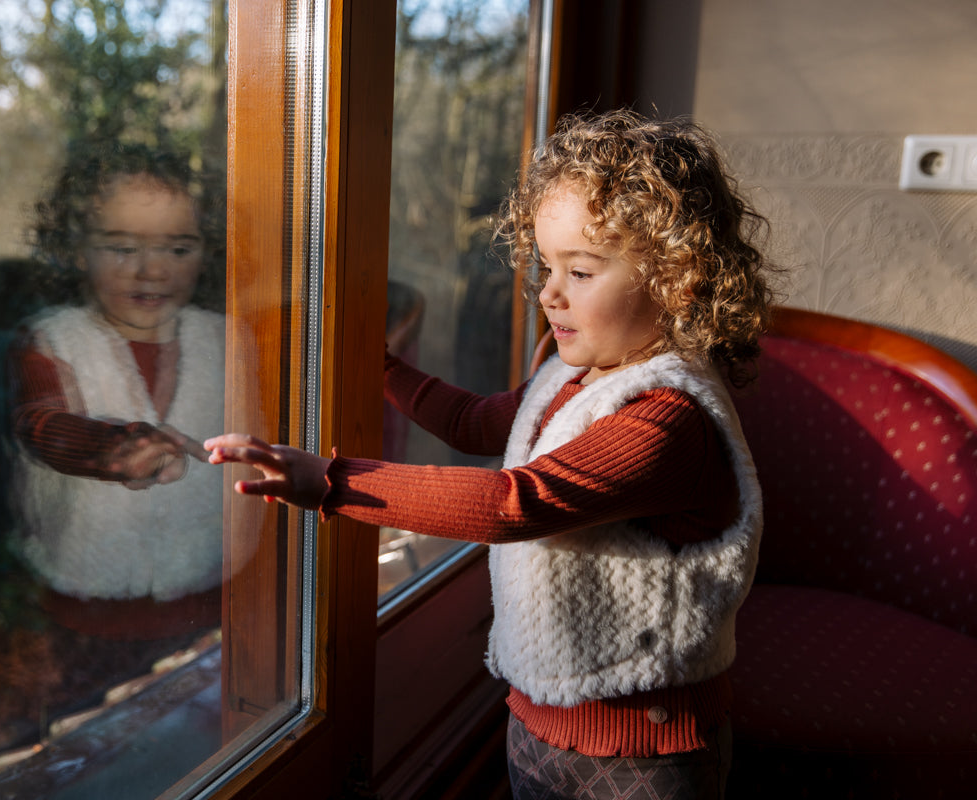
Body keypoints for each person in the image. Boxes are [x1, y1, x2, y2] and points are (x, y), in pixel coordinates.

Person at [205, 109, 776, 799]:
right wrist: (378, 366)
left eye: (582, 271)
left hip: (644, 749)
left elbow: (516, 502)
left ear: (678, 281)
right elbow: (478, 423)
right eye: (546, 266)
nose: (550, 292)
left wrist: (332, 482)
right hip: (537, 718)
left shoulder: (669, 420)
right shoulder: (574, 377)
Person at [9, 140, 225, 643]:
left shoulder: (228, 340)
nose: (152, 270)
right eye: (124, 248)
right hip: (82, 607)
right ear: (77, 250)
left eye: (178, 248)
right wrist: (110, 448)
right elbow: (38, 422)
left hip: (211, 599)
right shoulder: (50, 339)